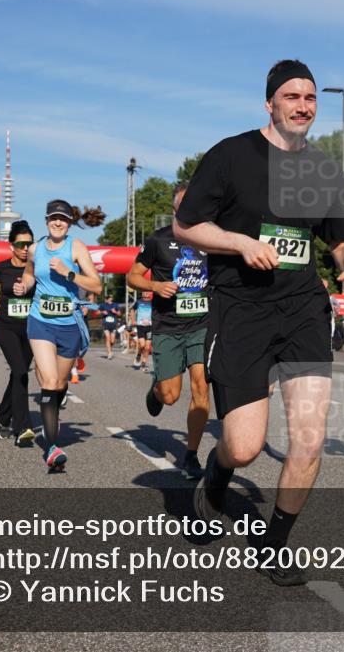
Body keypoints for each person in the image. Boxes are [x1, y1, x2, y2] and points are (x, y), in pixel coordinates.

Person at [174, 59, 344, 586]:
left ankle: (275, 544)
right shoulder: (232, 155)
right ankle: (216, 477)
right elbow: (185, 223)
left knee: (309, 438)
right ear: (270, 103)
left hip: (304, 309)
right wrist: (240, 243)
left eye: (310, 99)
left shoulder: (324, 169)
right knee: (244, 446)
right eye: (292, 97)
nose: (303, 106)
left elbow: (342, 239)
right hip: (240, 309)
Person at [129, 180, 211, 480]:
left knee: (202, 385)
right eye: (185, 204)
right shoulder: (158, 240)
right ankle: (156, 388)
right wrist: (155, 285)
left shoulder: (212, 240)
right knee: (171, 395)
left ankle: (191, 455)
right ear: (174, 207)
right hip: (168, 327)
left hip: (202, 325)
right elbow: (132, 276)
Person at [18, 199, 104, 472]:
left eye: (63, 219)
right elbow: (30, 274)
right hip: (40, 320)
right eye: (54, 218)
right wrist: (24, 285)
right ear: (46, 220)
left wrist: (69, 273)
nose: (58, 222)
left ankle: (54, 403)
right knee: (50, 379)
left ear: (69, 223)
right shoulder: (35, 249)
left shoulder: (75, 247)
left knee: (59, 383)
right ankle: (52, 448)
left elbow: (96, 286)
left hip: (69, 324)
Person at [0, 220, 37, 446]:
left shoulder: (36, 268)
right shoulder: (0, 267)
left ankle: (3, 414)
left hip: (31, 328)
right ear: (11, 246)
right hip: (6, 327)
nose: (25, 248)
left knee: (20, 373)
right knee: (19, 371)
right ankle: (23, 427)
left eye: (29, 244)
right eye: (21, 244)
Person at [130, 291, 154, 372]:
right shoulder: (138, 302)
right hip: (140, 326)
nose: (146, 293)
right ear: (142, 293)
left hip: (150, 326)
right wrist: (133, 320)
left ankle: (144, 363)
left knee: (147, 347)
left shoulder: (152, 302)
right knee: (142, 345)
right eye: (144, 292)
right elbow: (132, 310)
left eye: (147, 292)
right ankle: (138, 355)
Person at [97, 294, 121, 359]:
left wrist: (115, 311)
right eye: (108, 298)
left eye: (110, 298)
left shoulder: (115, 305)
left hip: (113, 324)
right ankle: (109, 353)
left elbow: (119, 313)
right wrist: (102, 312)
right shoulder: (103, 305)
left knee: (112, 341)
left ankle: (110, 349)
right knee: (108, 338)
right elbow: (97, 312)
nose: (110, 299)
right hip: (106, 324)